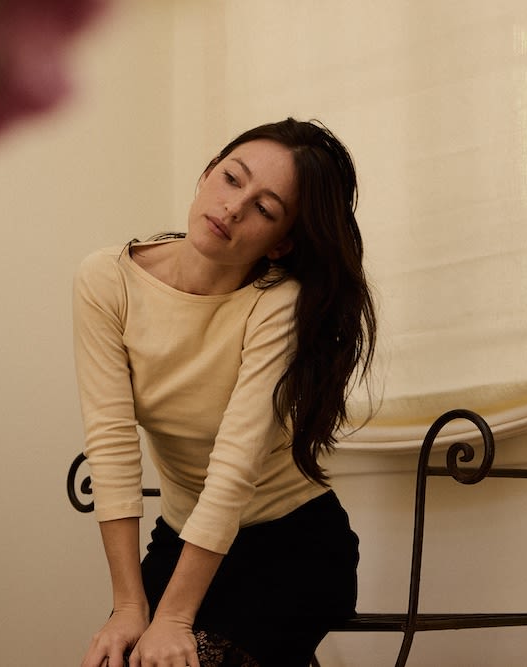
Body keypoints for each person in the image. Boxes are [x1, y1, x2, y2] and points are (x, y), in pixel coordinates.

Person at [73, 118, 377, 667]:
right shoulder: (107, 280)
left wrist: (172, 618)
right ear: (207, 173)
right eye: (232, 178)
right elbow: (111, 446)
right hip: (181, 541)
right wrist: (128, 606)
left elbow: (233, 469)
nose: (233, 208)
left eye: (264, 208)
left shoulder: (277, 303)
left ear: (282, 242)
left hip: (293, 548)